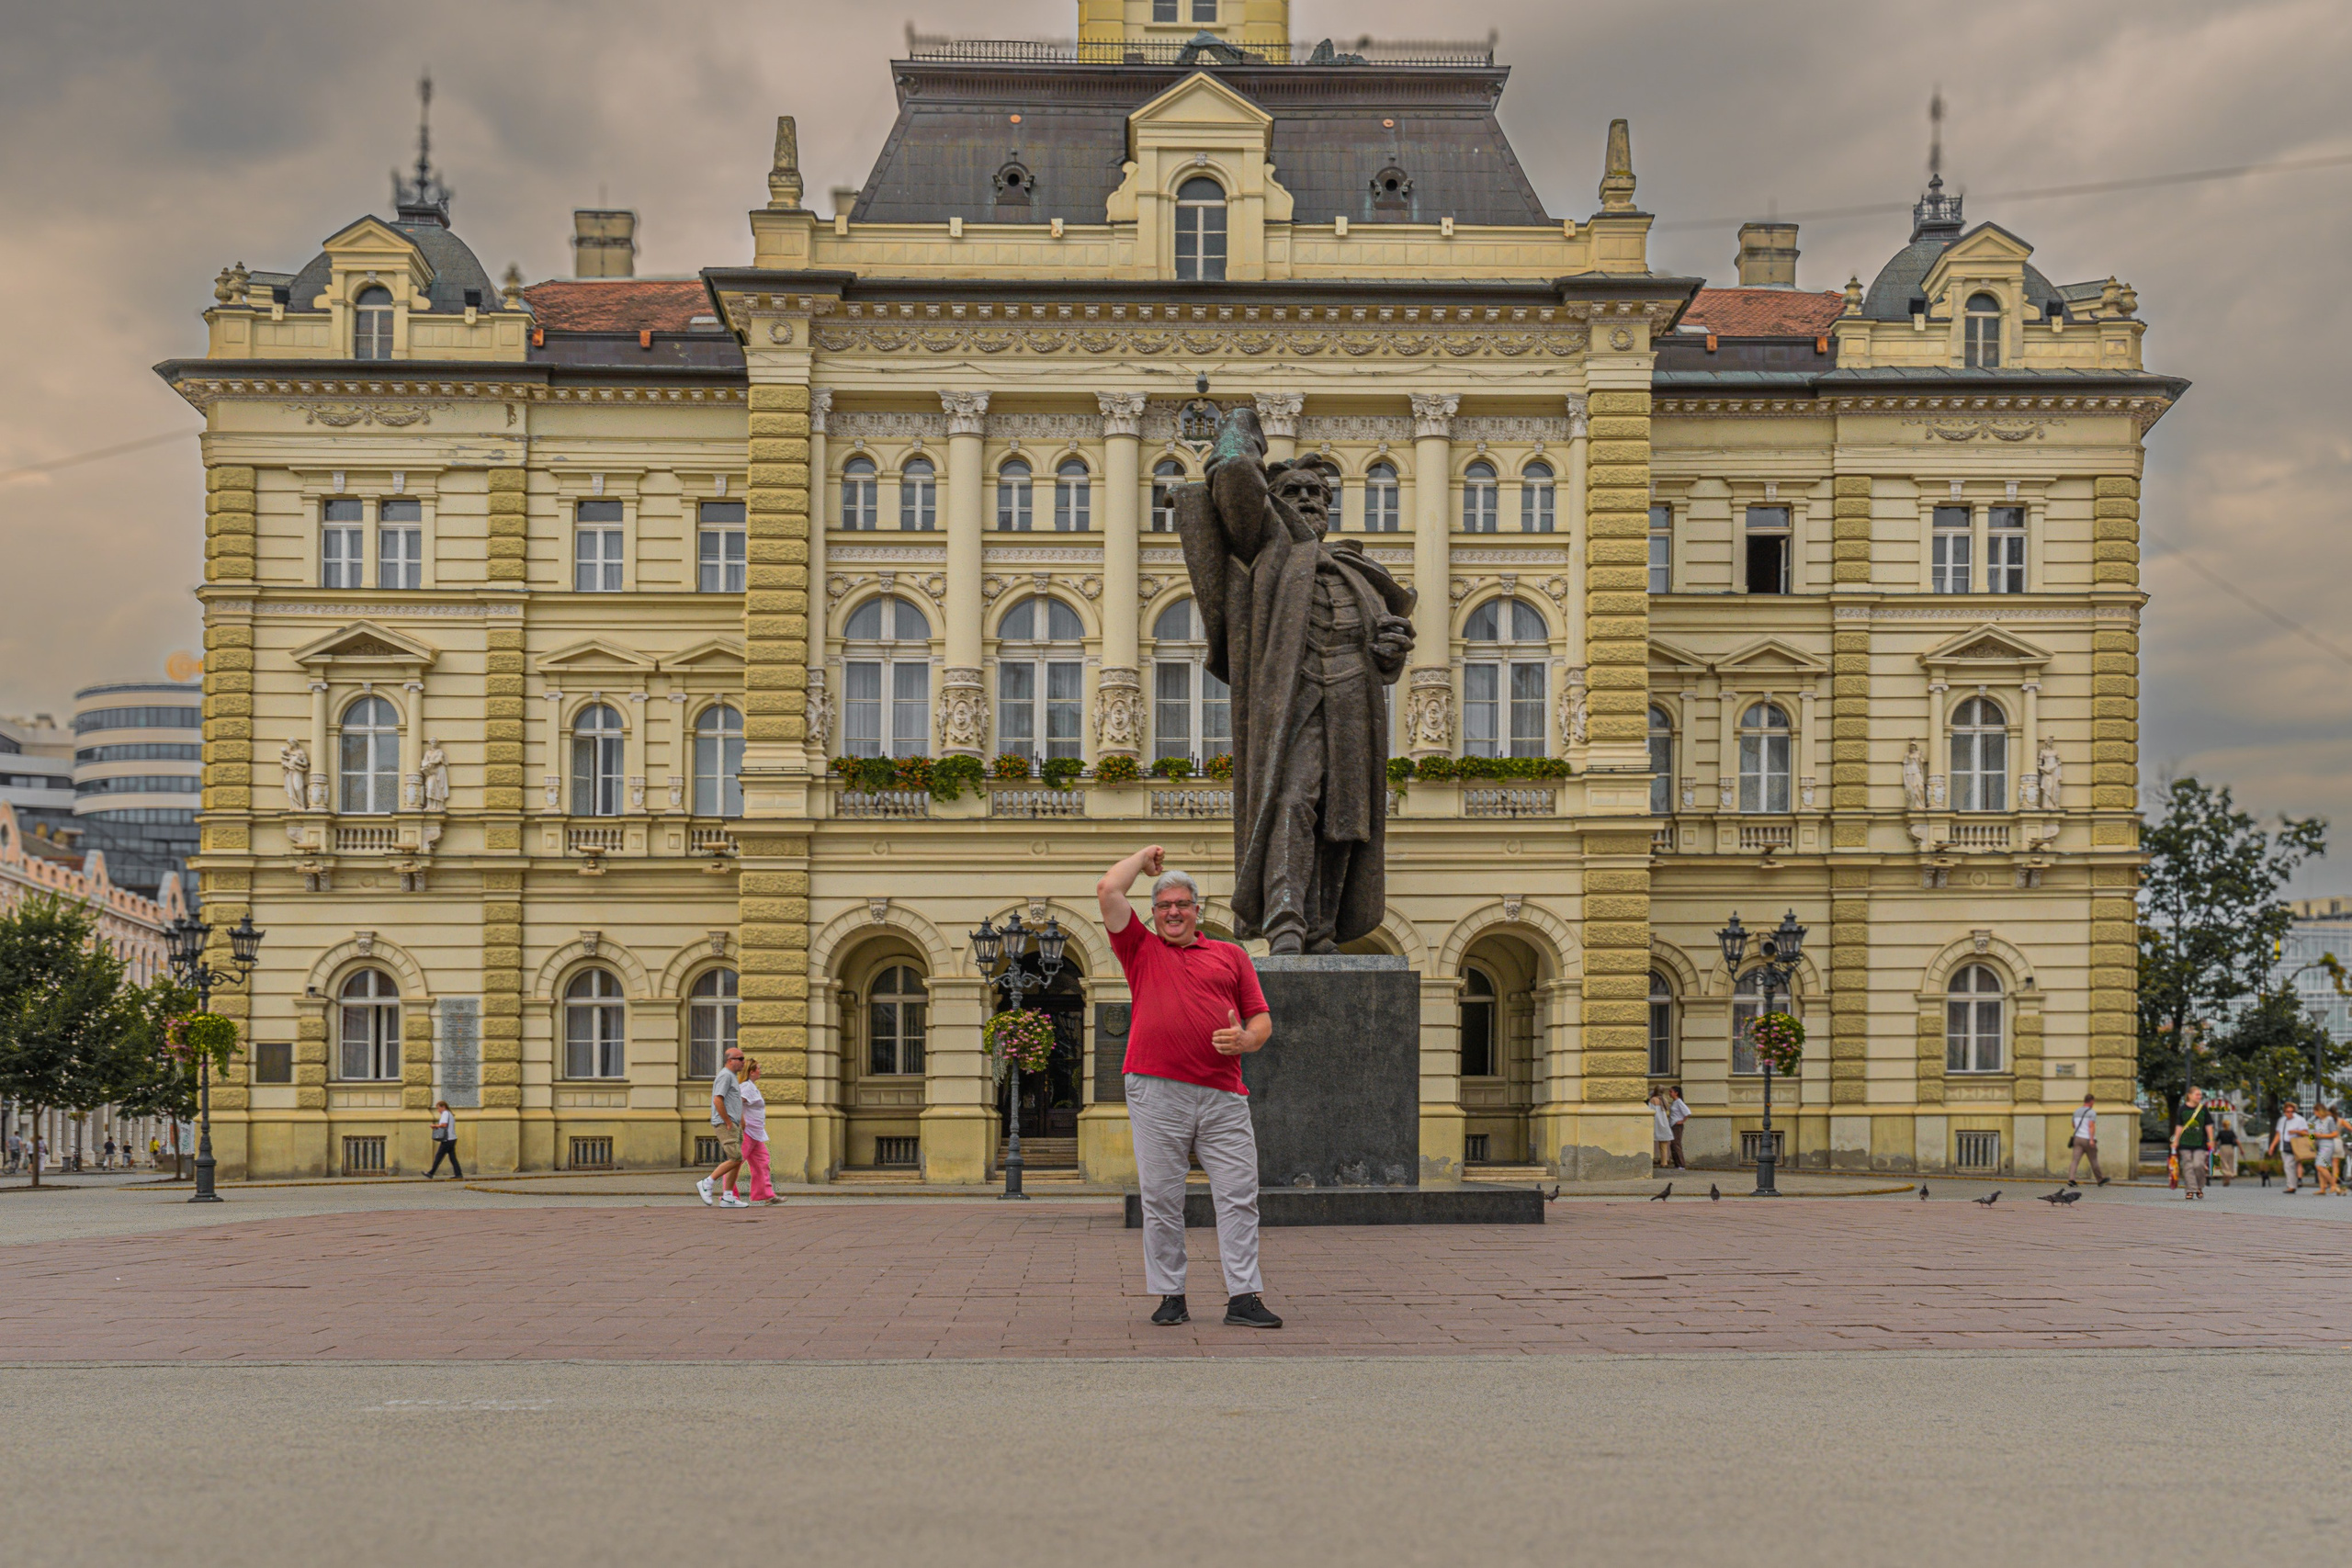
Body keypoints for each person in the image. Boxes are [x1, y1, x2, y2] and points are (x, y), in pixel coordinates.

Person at [1099, 843, 1281, 1329]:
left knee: (1240, 1193)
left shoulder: (1231, 955)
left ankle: (1243, 1296)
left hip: (1223, 1092)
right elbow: (1108, 888)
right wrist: (1142, 859)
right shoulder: (1139, 947)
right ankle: (1170, 1295)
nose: (1173, 912)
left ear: (1197, 910)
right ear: (1153, 913)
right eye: (1164, 906)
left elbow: (1261, 1019)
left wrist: (1246, 1039)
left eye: (1182, 904)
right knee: (1160, 1196)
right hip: (1156, 1090)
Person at [698, 1044, 749, 1209]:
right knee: (736, 1158)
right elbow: (717, 1100)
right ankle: (707, 1182)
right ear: (729, 1061)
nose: (743, 1062)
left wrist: (740, 1121)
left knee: (736, 1160)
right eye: (740, 1059)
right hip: (724, 1123)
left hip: (733, 1124)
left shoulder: (732, 1076)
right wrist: (727, 1121)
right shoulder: (725, 1076)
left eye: (743, 1058)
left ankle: (728, 1197)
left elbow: (733, 1101)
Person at [739, 1056, 778, 1204]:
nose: (760, 1071)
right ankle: (729, 1194)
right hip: (747, 1132)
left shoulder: (751, 1087)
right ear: (751, 1072)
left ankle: (764, 1194)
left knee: (762, 1163)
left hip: (756, 1133)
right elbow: (735, 1103)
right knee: (735, 1162)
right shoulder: (746, 1087)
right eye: (758, 1069)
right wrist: (741, 1121)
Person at [2170, 1086, 2212, 1200]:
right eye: (2197, 1094)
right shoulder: (2182, 1109)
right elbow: (2179, 1126)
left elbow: (2208, 1125)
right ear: (2189, 1095)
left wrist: (2211, 1140)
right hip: (2185, 1142)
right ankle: (2190, 1190)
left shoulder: (2203, 1109)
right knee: (2188, 1166)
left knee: (2198, 1165)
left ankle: (2199, 1186)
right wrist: (2176, 1140)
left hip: (2200, 1143)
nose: (2199, 1096)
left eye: (2200, 1094)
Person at [2065, 1092, 2109, 1187]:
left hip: (2077, 1139)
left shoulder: (2076, 1111)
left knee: (2075, 1160)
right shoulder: (2091, 1112)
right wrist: (2091, 1140)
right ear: (2092, 1101)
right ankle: (2100, 1179)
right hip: (2087, 1139)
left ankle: (2071, 1179)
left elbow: (2073, 1125)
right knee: (2093, 1160)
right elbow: (2091, 1126)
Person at [2270, 1101, 2311, 1194]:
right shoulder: (2282, 1120)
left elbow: (2306, 1133)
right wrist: (2272, 1146)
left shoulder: (2300, 1119)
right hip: (2284, 1145)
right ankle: (2292, 1184)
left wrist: (2296, 1131)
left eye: (2292, 1111)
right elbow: (2278, 1134)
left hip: (2295, 1145)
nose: (2290, 1113)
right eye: (2288, 1111)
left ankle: (2292, 1186)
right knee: (2288, 1166)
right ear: (2284, 1111)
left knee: (2289, 1165)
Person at [2311, 1103, 2344, 1196]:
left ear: (2319, 1111)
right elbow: (2314, 1134)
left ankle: (2333, 1184)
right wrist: (2311, 1136)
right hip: (2321, 1145)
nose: (2314, 1113)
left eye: (2315, 1111)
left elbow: (2335, 1133)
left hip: (2328, 1145)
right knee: (2321, 1167)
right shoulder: (2318, 1121)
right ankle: (2322, 1188)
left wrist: (2321, 1135)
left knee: (2319, 1166)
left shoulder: (2329, 1120)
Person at [426, 1100, 463, 1179]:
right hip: (452, 1138)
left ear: (443, 1107)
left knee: (439, 1156)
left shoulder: (445, 1113)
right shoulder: (450, 1114)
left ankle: (431, 1173)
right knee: (452, 1158)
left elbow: (444, 1124)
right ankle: (458, 1174)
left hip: (447, 1139)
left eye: (438, 1108)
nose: (438, 1110)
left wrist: (435, 1126)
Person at [2213, 1100, 2240, 1185]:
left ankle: (2226, 1176)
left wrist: (2214, 1148)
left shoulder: (2221, 1132)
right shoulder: (2231, 1132)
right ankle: (2229, 1176)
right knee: (2230, 1162)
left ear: (2223, 1125)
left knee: (2224, 1162)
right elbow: (2237, 1140)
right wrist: (2241, 1149)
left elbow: (2216, 1141)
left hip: (2223, 1147)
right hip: (2231, 1147)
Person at [1649, 1089, 1674, 1169]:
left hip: (1656, 1124)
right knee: (1664, 1145)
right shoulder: (1665, 1100)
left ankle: (1650, 1161)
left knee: (1650, 1143)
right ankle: (1664, 1162)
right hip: (1665, 1124)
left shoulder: (1653, 1100)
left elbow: (1650, 1112)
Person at [1668, 1086, 1690, 1170]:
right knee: (1673, 1144)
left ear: (1676, 1093)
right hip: (1673, 1125)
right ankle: (1677, 1164)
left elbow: (1687, 1112)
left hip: (1677, 1125)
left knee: (1676, 1144)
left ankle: (1681, 1164)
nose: (1669, 1093)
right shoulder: (1674, 1102)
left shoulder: (1679, 1102)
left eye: (1671, 1092)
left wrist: (1682, 1121)